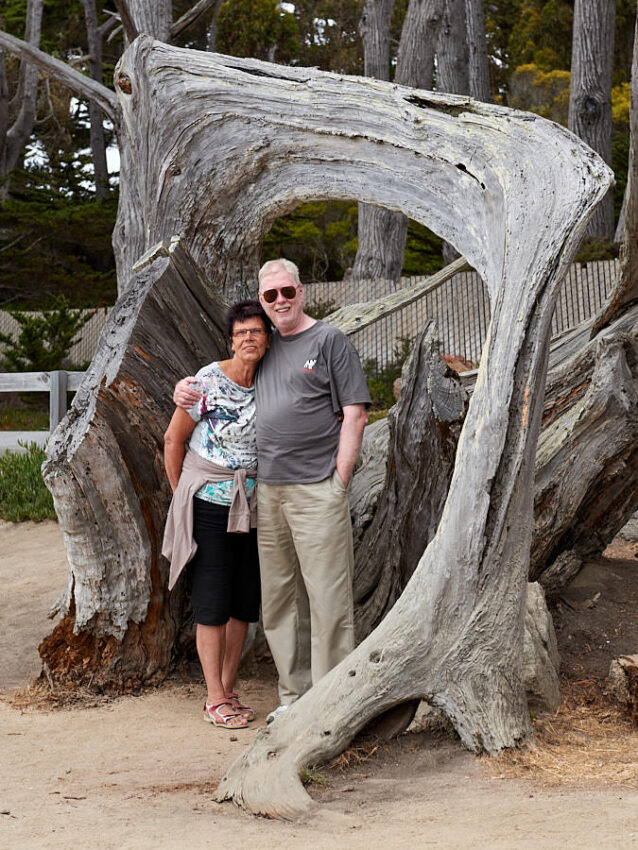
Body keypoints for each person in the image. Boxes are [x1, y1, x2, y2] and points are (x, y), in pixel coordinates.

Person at [174, 259, 370, 723]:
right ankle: (294, 697)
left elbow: (355, 412)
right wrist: (183, 389)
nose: (280, 300)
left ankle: (331, 702)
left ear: (301, 291)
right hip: (266, 495)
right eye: (270, 295)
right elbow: (220, 381)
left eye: (287, 291)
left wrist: (340, 479)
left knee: (328, 597)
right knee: (280, 600)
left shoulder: (329, 341)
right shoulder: (264, 346)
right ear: (262, 302)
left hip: (317, 488)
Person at [162, 300, 271, 729]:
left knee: (243, 602)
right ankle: (212, 697)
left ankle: (227, 688)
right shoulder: (206, 380)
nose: (249, 338)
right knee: (212, 600)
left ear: (267, 339)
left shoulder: (271, 379)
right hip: (208, 504)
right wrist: (183, 495)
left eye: (256, 331)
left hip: (253, 506)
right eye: (241, 332)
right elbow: (173, 440)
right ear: (231, 340)